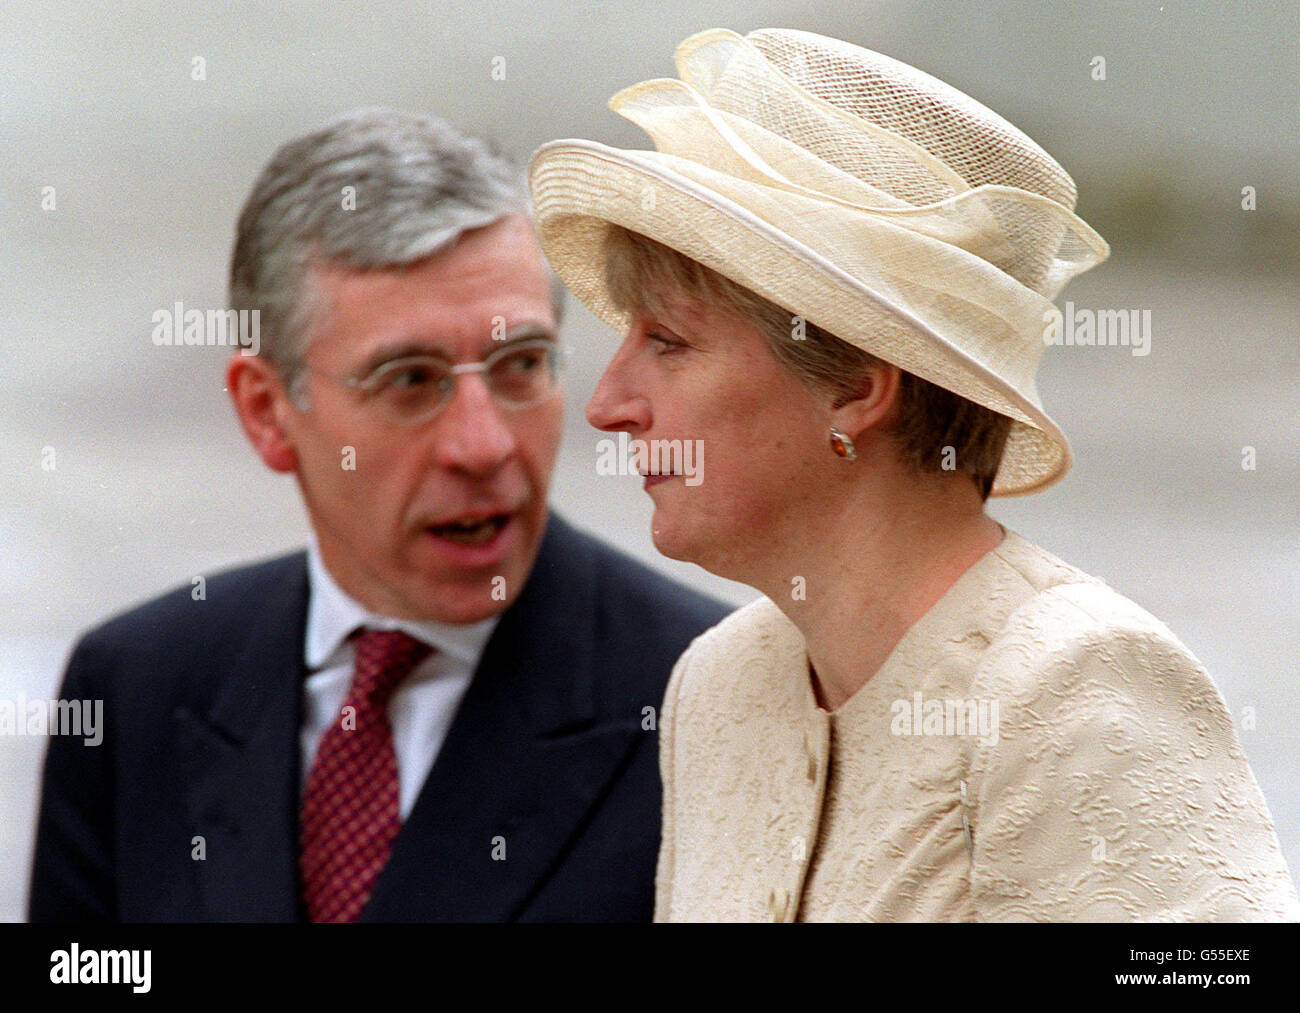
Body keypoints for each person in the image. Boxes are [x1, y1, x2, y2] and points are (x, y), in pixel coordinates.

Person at [528, 28, 1300, 920]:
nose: (609, 403)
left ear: (856, 386)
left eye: (668, 342)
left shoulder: (1071, 687)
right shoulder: (719, 685)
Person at [29, 107, 728, 922]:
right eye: (410, 380)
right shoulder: (137, 683)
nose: (482, 444)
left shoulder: (706, 702)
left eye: (520, 365)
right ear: (266, 411)